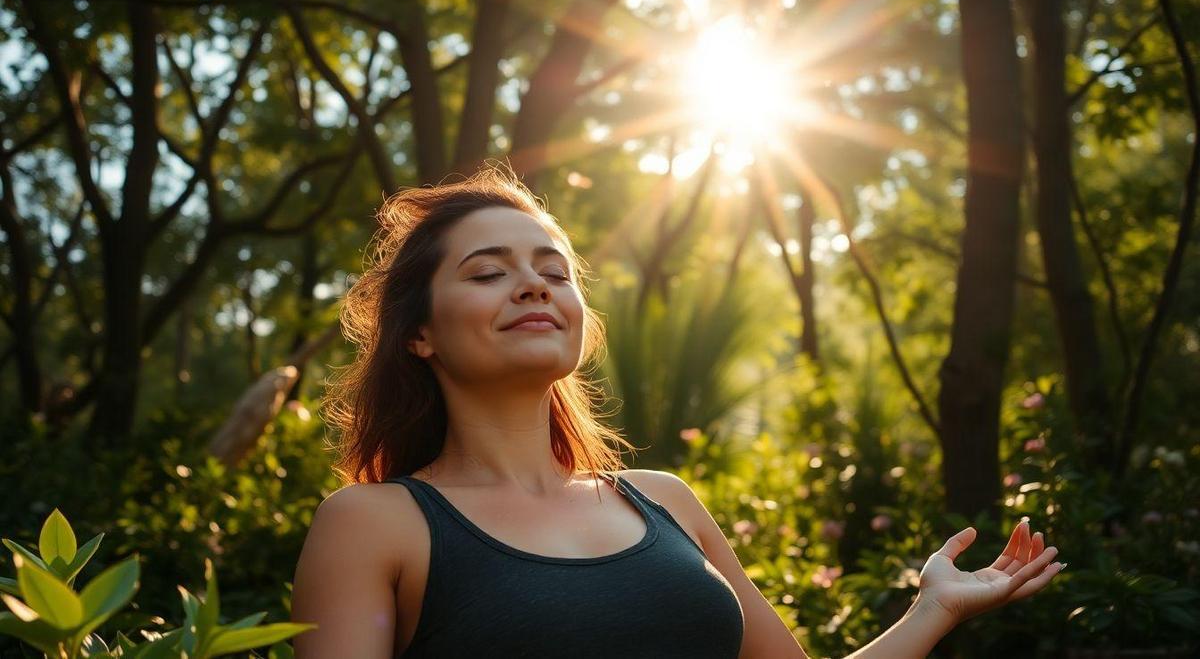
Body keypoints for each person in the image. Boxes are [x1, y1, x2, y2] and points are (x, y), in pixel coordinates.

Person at [290, 164, 1064, 658]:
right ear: (419, 333)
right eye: (489, 273)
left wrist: (934, 610)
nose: (533, 285)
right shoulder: (374, 522)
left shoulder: (663, 500)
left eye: (553, 271)